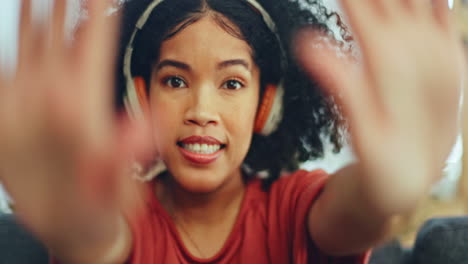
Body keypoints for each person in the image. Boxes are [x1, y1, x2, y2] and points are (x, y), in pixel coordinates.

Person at [0, 0, 464, 263]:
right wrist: (75, 228)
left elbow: (353, 212)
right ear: (142, 95)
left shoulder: (294, 208)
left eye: (232, 83)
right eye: (175, 80)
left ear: (265, 104)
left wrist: (381, 195)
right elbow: (97, 239)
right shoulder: (120, 214)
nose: (202, 110)